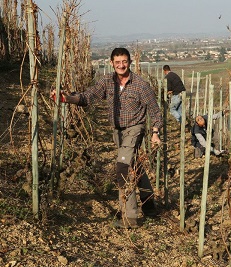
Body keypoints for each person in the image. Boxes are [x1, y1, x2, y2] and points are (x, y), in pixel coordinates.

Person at [51, 48, 163, 229]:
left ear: (130, 62)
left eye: (124, 61)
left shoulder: (141, 85)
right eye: (117, 62)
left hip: (135, 129)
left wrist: (155, 132)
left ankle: (131, 217)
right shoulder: (106, 82)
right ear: (111, 63)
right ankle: (149, 207)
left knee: (123, 167)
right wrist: (67, 99)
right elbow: (88, 96)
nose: (121, 65)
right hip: (117, 132)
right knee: (135, 166)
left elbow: (155, 111)